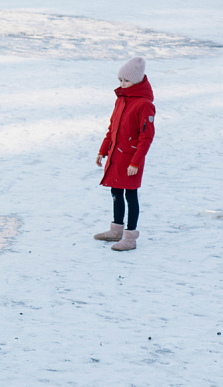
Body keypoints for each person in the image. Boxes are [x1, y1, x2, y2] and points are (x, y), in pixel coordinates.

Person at [94, 56, 155, 251]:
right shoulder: (121, 101)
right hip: (116, 157)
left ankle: (130, 237)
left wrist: (135, 163)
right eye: (120, 80)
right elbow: (112, 129)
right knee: (115, 191)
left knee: (131, 195)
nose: (122, 84)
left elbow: (146, 138)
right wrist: (103, 150)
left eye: (126, 81)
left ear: (137, 80)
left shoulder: (144, 104)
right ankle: (116, 230)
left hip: (130, 160)